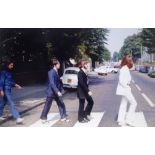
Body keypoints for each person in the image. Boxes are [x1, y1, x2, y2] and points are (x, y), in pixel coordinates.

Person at [40, 58, 69, 123]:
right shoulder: (50, 72)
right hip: (51, 92)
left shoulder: (57, 72)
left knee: (61, 104)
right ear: (55, 64)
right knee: (47, 106)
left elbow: (58, 83)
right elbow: (52, 83)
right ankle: (43, 117)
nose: (60, 65)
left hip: (56, 92)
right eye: (58, 64)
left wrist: (62, 89)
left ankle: (63, 117)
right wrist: (57, 91)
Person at [116, 54, 137, 127]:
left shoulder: (125, 68)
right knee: (134, 103)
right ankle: (128, 120)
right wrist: (127, 86)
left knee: (123, 104)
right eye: (131, 60)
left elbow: (133, 67)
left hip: (125, 89)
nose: (132, 62)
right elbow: (121, 80)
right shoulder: (124, 69)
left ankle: (120, 120)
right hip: (125, 89)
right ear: (127, 61)